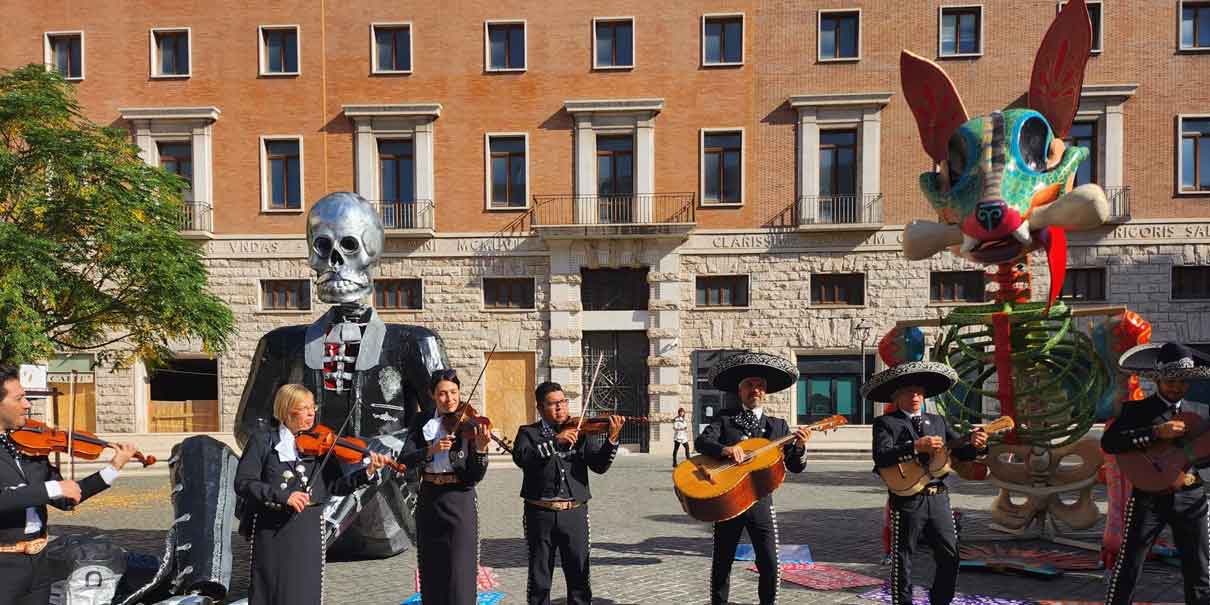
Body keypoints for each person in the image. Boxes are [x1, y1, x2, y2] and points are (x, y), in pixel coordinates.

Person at [234, 383, 390, 605]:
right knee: (271, 589)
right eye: (304, 408)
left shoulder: (320, 444)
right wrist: (282, 496)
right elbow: (243, 482)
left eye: (312, 407)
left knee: (304, 590)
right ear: (287, 410)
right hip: (272, 528)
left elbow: (336, 486)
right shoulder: (263, 442)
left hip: (307, 528)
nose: (311, 413)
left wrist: (367, 472)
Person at [0, 363, 139, 605]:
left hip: (38, 567)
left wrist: (113, 468)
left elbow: (66, 499)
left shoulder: (30, 448)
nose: (28, 405)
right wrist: (51, 489)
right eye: (19, 398)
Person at [696, 352, 810, 605]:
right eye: (750, 384)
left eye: (760, 386)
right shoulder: (725, 419)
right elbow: (702, 441)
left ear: (765, 392)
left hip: (760, 501)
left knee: (769, 561)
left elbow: (794, 465)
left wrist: (800, 447)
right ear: (740, 390)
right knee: (722, 561)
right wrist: (725, 450)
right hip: (728, 501)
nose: (755, 390)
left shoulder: (778, 427)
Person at [869, 360, 986, 605]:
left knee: (950, 555)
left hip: (939, 497)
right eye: (909, 391)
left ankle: (940, 600)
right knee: (902, 558)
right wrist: (914, 446)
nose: (915, 396)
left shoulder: (938, 421)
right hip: (907, 498)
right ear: (897, 396)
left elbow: (961, 451)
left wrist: (977, 445)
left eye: (919, 392)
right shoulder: (886, 423)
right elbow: (881, 456)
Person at [1103, 342, 1210, 605]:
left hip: (1190, 495)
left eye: (1183, 381)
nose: (1177, 386)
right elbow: (1110, 443)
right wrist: (1154, 433)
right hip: (1148, 498)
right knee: (1130, 564)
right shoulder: (1136, 410)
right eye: (1171, 380)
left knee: (1200, 568)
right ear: (1158, 379)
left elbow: (1204, 460)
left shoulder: (1200, 413)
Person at [512, 381, 624, 605]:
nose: (561, 408)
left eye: (563, 402)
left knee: (579, 577)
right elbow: (522, 458)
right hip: (540, 513)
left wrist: (611, 439)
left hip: (574, 512)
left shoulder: (580, 432)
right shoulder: (528, 433)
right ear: (540, 407)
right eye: (554, 404)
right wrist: (555, 442)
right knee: (540, 577)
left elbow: (599, 466)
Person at [398, 369, 490, 605]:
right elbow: (405, 459)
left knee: (460, 570)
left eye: (454, 392)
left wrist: (479, 449)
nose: (449, 399)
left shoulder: (469, 423)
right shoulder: (421, 421)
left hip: (459, 498)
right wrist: (430, 450)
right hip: (430, 497)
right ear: (431, 395)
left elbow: (474, 475)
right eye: (442, 394)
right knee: (432, 567)